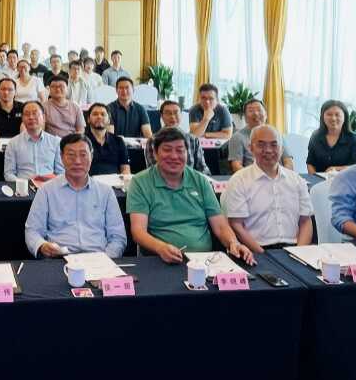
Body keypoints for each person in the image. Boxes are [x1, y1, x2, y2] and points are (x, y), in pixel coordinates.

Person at [127, 128, 254, 263]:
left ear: (187, 153)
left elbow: (220, 226)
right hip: (159, 260)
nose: (174, 156)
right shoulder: (140, 182)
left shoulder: (200, 181)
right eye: (167, 150)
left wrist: (233, 243)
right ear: (155, 153)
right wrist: (160, 248)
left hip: (204, 261)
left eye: (180, 150)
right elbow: (138, 231)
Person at [25, 133, 128, 258]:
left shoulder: (106, 192)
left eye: (83, 155)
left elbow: (118, 237)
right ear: (61, 157)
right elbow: (32, 231)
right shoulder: (46, 191)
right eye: (71, 155)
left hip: (99, 258)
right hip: (59, 259)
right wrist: (42, 245)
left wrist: (106, 259)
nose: (77, 161)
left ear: (91, 156)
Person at [222, 125, 313, 253]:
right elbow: (237, 226)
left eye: (274, 145)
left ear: (282, 149)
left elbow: (306, 221)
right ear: (251, 148)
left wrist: (299, 253)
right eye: (261, 145)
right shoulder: (239, 181)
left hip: (294, 248)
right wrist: (263, 254)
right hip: (255, 250)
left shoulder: (297, 180)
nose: (268, 150)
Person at [3, 101, 64, 182]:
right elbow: (8, 173)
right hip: (23, 187)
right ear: (22, 119)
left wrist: (51, 184)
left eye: (35, 113)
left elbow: (61, 172)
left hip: (49, 187)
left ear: (44, 117)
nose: (31, 117)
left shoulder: (56, 142)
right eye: (27, 114)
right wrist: (24, 184)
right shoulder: (13, 143)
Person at [227, 99, 294, 172]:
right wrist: (250, 177)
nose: (256, 113)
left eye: (259, 110)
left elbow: (288, 161)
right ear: (245, 118)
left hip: (278, 176)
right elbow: (236, 166)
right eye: (251, 111)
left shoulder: (276, 134)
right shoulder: (237, 137)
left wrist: (283, 176)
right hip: (252, 176)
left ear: (266, 115)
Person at [145, 100, 210, 174]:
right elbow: (152, 171)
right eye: (168, 113)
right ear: (162, 116)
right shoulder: (153, 140)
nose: (172, 116)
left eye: (176, 113)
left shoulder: (192, 139)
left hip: (190, 179)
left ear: (181, 115)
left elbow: (202, 168)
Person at [306, 100, 356, 175]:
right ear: (322, 117)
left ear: (345, 117)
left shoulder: (354, 139)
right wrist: (314, 178)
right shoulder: (315, 136)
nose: (333, 118)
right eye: (329, 114)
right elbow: (310, 163)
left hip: (345, 180)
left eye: (337, 115)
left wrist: (336, 169)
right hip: (318, 180)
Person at [86, 103, 130, 176]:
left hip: (114, 181)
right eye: (95, 114)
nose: (99, 117)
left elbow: (125, 168)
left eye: (103, 114)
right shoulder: (81, 141)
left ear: (109, 120)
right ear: (88, 119)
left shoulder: (118, 141)